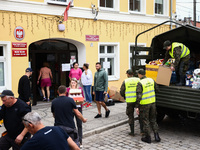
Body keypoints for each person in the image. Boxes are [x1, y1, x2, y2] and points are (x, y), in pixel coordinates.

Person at [136, 69, 161, 144]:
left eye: (138, 74)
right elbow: (157, 90)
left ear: (140, 74)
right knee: (153, 119)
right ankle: (157, 136)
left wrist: (137, 106)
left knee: (145, 120)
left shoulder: (140, 83)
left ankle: (148, 137)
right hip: (152, 103)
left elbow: (139, 96)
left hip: (144, 104)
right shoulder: (151, 80)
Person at [120, 69, 140, 136]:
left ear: (128, 74)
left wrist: (125, 96)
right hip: (138, 100)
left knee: (130, 116)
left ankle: (132, 131)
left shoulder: (126, 81)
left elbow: (122, 92)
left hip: (130, 101)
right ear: (133, 74)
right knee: (140, 115)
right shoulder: (138, 79)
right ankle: (142, 130)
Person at [66, 78, 84, 146]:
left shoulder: (80, 89)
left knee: (79, 124)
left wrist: (81, 99)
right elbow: (66, 98)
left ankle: (80, 141)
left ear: (76, 83)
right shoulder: (68, 89)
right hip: (70, 109)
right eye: (72, 82)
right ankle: (72, 140)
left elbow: (82, 98)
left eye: (74, 82)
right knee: (70, 125)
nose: (73, 83)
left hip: (78, 108)